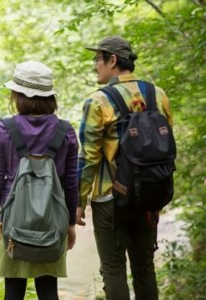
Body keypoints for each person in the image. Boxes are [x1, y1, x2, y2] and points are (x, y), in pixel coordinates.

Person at [77, 36, 173, 300]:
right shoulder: (158, 94)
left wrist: (78, 201)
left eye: (97, 59)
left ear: (112, 60)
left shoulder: (98, 101)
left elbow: (88, 157)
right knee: (144, 269)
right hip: (150, 196)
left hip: (111, 199)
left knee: (113, 270)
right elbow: (166, 144)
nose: (95, 65)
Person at [0, 61, 79, 300]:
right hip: (52, 220)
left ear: (18, 95)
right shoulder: (65, 131)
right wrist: (70, 224)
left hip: (11, 220)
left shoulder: (4, 129)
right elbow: (70, 182)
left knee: (12, 292)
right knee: (49, 291)